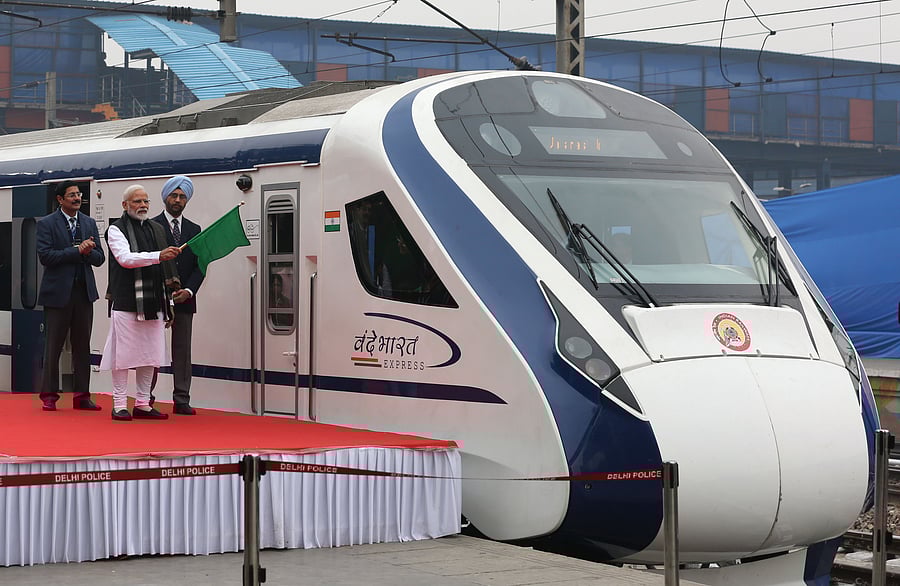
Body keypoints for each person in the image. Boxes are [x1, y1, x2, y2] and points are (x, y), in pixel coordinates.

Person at [99, 185, 181, 421]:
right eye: (137, 201)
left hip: (154, 299)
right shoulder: (116, 229)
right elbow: (125, 259)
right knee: (123, 356)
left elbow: (167, 268)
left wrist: (170, 303)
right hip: (126, 300)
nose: (143, 205)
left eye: (146, 201)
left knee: (150, 354)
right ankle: (119, 404)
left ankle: (143, 403)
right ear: (125, 205)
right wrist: (158, 256)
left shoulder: (156, 228)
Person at [36, 180, 105, 411]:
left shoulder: (88, 223)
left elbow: (100, 258)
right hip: (57, 294)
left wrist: (87, 253)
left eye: (79, 194)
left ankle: (82, 396)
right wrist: (77, 251)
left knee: (82, 346)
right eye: (72, 195)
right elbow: (46, 257)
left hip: (83, 293)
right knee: (53, 346)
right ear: (60, 199)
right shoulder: (47, 224)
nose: (77, 198)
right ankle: (49, 396)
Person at [150, 175, 203, 415]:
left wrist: (189, 290)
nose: (178, 200)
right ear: (166, 197)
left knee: (183, 350)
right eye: (174, 195)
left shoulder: (195, 230)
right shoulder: (151, 227)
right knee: (151, 349)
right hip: (156, 298)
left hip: (184, 299)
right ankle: (145, 397)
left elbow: (200, 266)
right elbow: (147, 263)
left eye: (182, 196)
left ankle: (181, 398)